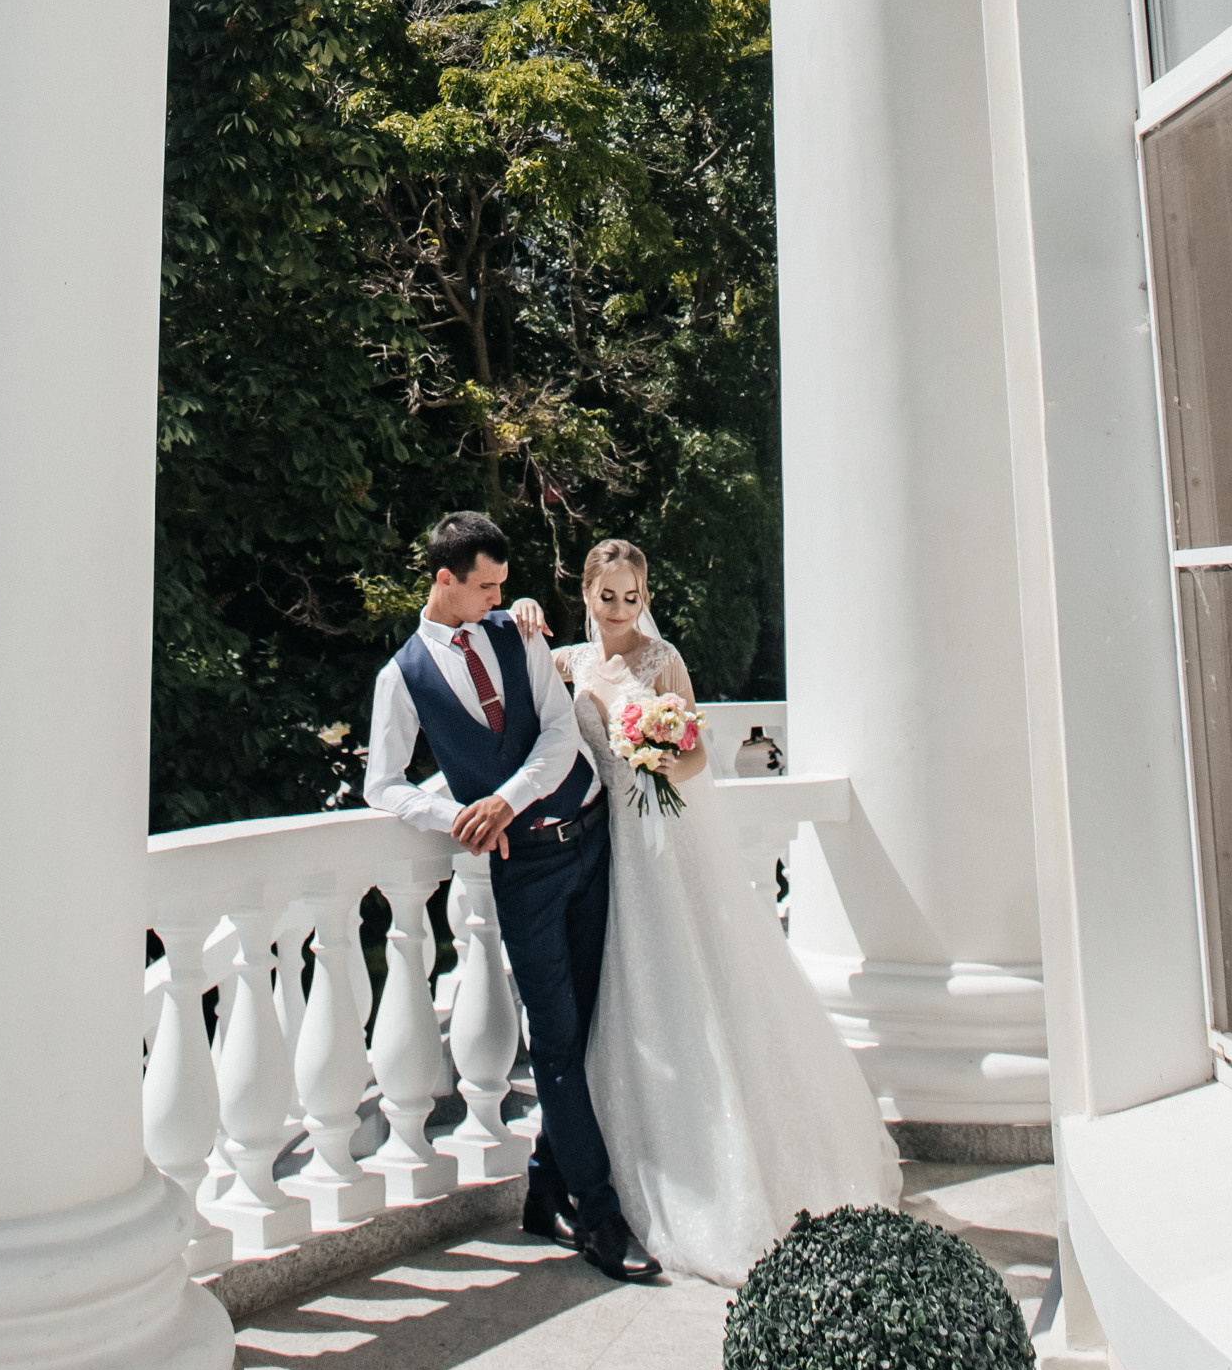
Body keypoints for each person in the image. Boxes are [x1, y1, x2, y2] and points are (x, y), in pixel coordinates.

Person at [524, 537, 901, 1285]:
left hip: (664, 842)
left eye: (633, 596)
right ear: (588, 594)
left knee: (693, 984)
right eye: (608, 597)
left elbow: (696, 751)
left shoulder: (662, 661)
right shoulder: (568, 662)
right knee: (621, 1001)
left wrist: (654, 754)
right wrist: (525, 612)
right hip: (605, 851)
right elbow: (525, 655)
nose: (622, 610)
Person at [363, 509, 662, 1283]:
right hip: (522, 872)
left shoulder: (516, 636)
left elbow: (559, 733)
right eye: (485, 586)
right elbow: (382, 784)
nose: (499, 598)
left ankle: (546, 1187)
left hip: (592, 842)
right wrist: (455, 815)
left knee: (590, 1026)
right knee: (557, 1045)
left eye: (502, 584)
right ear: (444, 579)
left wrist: (505, 798)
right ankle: (598, 1218)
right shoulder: (402, 675)